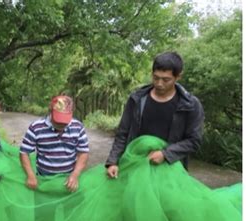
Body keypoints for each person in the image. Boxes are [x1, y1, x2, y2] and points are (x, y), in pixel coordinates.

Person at [105, 51, 204, 179]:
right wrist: (113, 161)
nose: (159, 83)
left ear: (178, 77)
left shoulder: (190, 105)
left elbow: (194, 140)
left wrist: (165, 154)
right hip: (134, 165)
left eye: (166, 79)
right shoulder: (137, 99)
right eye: (156, 77)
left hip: (169, 170)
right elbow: (123, 133)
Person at [19, 95, 89, 192]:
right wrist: (30, 175)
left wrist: (75, 174)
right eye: (58, 120)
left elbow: (83, 152)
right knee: (44, 207)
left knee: (71, 207)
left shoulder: (78, 127)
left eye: (65, 121)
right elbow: (24, 152)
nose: (61, 124)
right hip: (44, 182)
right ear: (51, 111)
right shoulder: (36, 127)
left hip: (68, 182)